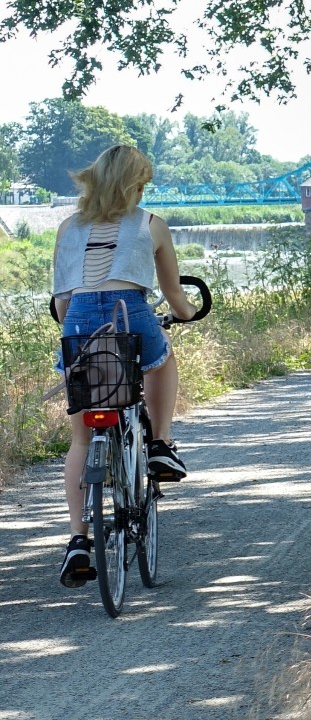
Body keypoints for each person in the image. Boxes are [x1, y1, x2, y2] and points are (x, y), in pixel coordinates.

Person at [50, 144, 197, 588]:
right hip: (130, 311)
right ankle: (160, 444)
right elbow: (173, 296)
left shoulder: (67, 228)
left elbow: (60, 303)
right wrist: (187, 312)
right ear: (134, 184)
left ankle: (78, 540)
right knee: (162, 359)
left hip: (78, 321)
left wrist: (80, 318)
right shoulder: (150, 224)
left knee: (80, 439)